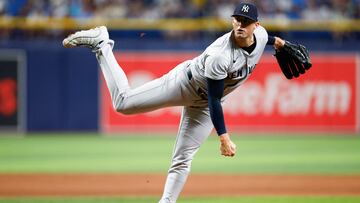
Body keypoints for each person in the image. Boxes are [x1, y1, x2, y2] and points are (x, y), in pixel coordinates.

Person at [63, 2, 285, 203]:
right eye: (237, 19)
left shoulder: (262, 36)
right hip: (185, 84)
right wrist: (224, 137)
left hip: (204, 105)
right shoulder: (221, 55)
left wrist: (282, 44)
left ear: (256, 25)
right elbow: (214, 98)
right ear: (232, 20)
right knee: (122, 103)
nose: (240, 25)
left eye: (246, 22)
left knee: (182, 159)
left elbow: (269, 40)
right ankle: (102, 43)